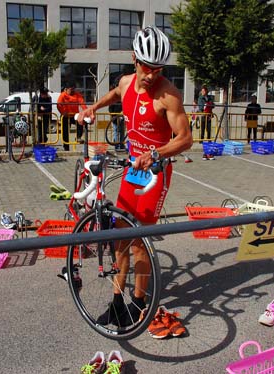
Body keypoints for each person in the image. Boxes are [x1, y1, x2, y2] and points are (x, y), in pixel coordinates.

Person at [77, 26, 193, 326]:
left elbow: (185, 139)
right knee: (119, 237)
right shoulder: (127, 82)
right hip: (132, 169)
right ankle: (117, 302)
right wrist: (93, 107)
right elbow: (116, 94)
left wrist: (155, 154)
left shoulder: (169, 96)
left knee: (139, 240)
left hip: (155, 174)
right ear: (134, 59)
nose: (152, 74)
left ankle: (138, 303)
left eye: (158, 68)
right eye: (146, 66)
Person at [57, 82, 87, 151]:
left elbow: (83, 104)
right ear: (66, 89)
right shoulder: (63, 95)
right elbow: (59, 105)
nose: (72, 91)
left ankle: (78, 137)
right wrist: (63, 112)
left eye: (73, 89)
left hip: (74, 115)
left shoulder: (77, 95)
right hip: (65, 116)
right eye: (71, 89)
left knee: (80, 122)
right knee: (65, 131)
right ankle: (66, 147)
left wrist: (86, 111)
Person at [109, 76, 126, 151]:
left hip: (122, 117)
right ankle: (116, 145)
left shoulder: (124, 94)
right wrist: (113, 115)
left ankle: (121, 144)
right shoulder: (113, 94)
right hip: (115, 117)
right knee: (116, 131)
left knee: (122, 131)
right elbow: (110, 108)